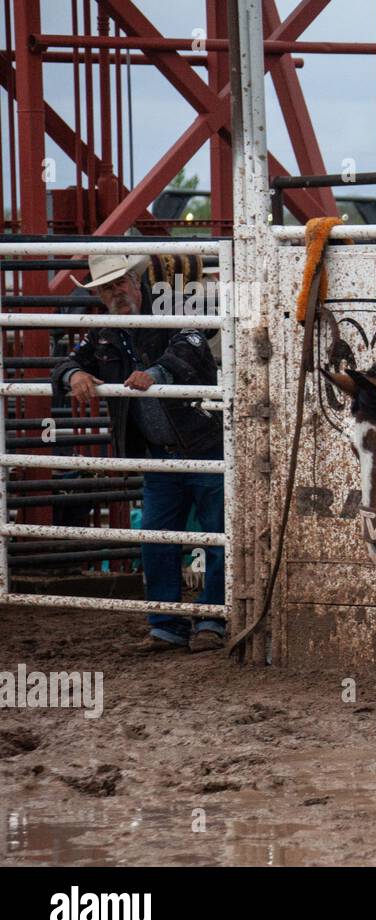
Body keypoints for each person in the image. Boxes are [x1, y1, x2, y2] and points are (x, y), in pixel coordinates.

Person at [51, 254, 226, 653]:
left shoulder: (170, 308)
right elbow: (65, 361)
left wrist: (158, 374)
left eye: (120, 284)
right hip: (161, 453)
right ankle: (168, 624)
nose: (116, 293)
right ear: (97, 295)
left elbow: (192, 344)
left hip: (203, 444)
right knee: (157, 537)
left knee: (217, 535)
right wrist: (73, 374)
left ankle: (212, 619)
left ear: (135, 282)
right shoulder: (102, 334)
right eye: (106, 288)